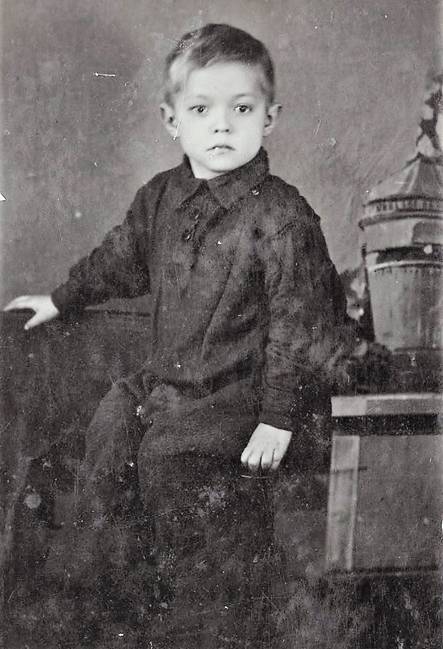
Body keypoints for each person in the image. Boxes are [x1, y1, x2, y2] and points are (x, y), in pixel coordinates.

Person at [5, 23, 352, 649]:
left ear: (269, 118)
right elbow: (119, 259)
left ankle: (204, 618)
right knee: (111, 429)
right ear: (172, 121)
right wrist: (61, 298)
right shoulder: (160, 198)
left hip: (240, 394)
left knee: (172, 459)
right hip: (165, 383)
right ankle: (116, 602)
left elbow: (299, 326)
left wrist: (277, 418)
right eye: (201, 110)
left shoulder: (282, 216)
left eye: (240, 109)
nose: (221, 126)